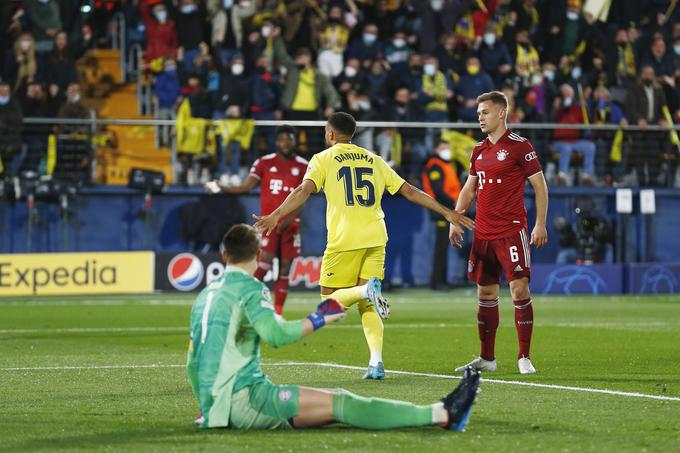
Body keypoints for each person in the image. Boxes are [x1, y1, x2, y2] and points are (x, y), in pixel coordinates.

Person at [187, 223, 480, 431]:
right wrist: (318, 319)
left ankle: (441, 411)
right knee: (343, 403)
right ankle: (442, 413)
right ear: (259, 256)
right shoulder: (252, 290)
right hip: (247, 400)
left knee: (330, 404)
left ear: (224, 255)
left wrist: (209, 406)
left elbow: (192, 362)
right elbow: (275, 336)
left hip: (219, 404)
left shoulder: (204, 295)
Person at [254, 112, 474, 379]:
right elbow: (409, 190)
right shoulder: (374, 159)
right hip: (376, 236)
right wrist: (446, 211)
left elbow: (303, 190)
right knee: (367, 305)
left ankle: (364, 291)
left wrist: (275, 215)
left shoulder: (322, 159)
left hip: (345, 239)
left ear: (331, 134)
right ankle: (376, 362)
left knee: (329, 302)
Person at [451, 91, 548, 375]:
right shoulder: (478, 150)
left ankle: (524, 356)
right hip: (483, 233)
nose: (479, 117)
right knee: (485, 293)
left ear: (502, 113)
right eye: (478, 113)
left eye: (485, 112)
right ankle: (487, 358)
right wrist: (455, 219)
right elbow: (470, 189)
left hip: (511, 231)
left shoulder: (520, 146)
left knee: (519, 289)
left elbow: (540, 186)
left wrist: (540, 224)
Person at [206, 125, 307, 315]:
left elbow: (303, 198)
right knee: (263, 264)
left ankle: (277, 313)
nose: (285, 143)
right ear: (276, 142)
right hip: (267, 224)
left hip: (291, 225)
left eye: (289, 139)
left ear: (294, 141)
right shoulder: (264, 162)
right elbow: (245, 187)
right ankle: (243, 304)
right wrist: (221, 187)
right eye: (282, 139)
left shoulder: (304, 165)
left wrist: (287, 219)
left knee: (285, 268)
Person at [422, 141, 462, 290]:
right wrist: (453, 202)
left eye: (447, 147)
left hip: (447, 209)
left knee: (444, 246)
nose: (446, 150)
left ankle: (442, 280)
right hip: (441, 210)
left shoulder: (446, 165)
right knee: (440, 247)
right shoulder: (435, 166)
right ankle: (436, 282)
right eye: (443, 147)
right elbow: (438, 190)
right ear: (436, 149)